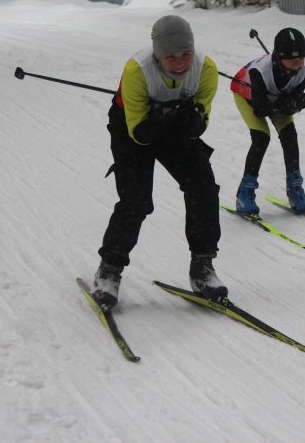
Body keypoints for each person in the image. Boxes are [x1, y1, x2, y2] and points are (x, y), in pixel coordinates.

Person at [91, 15, 226, 309]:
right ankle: (109, 269)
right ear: (157, 55)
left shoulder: (206, 69)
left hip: (175, 129)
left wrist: (191, 121)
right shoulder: (137, 70)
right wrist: (165, 119)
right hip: (132, 129)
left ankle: (203, 266)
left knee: (203, 188)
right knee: (136, 200)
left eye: (186, 54)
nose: (179, 63)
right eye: (170, 57)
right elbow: (139, 133)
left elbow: (202, 121)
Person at [230, 27, 305, 215]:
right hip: (247, 97)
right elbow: (260, 110)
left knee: (290, 136)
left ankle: (295, 190)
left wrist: (296, 104)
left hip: (275, 99)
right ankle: (245, 194)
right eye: (292, 60)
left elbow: (293, 97)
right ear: (279, 58)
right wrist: (286, 105)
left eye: (301, 59)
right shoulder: (259, 72)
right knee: (261, 138)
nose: (298, 65)